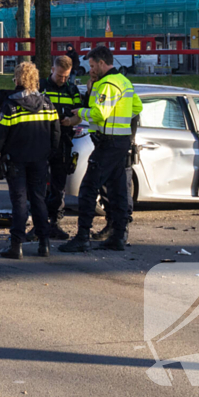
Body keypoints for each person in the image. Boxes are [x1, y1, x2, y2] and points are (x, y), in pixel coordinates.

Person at [58, 46, 142, 253]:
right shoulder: (124, 81)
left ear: (103, 63)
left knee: (88, 188)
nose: (91, 69)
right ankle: (118, 236)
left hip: (108, 142)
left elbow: (99, 113)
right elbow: (137, 107)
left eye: (93, 65)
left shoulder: (107, 83)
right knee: (118, 189)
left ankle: (82, 237)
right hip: (120, 142)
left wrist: (81, 112)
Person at [0, 61, 60, 259]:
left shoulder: (10, 106)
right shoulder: (47, 104)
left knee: (19, 202)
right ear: (35, 80)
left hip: (15, 161)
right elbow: (56, 133)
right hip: (40, 160)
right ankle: (44, 244)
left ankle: (16, 245)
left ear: (17, 79)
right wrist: (49, 153)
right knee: (39, 199)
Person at [39, 55, 82, 240]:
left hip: (63, 140)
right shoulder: (41, 87)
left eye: (66, 76)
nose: (63, 80)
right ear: (52, 69)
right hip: (42, 140)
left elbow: (79, 115)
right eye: (59, 76)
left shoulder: (72, 90)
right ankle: (39, 224)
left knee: (58, 184)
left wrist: (70, 121)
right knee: (39, 183)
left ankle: (55, 222)